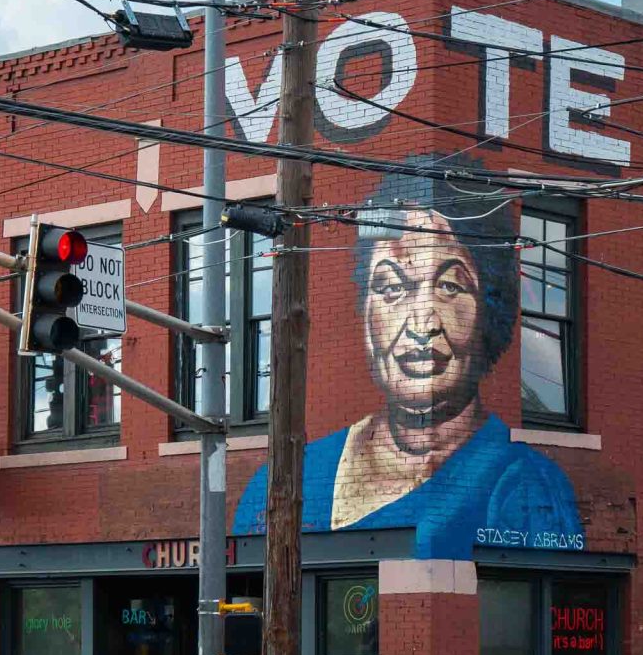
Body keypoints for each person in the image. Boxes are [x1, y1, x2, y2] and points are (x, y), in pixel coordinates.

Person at [233, 201, 583, 559]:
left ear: (489, 312)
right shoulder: (278, 484)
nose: (421, 325)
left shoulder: (525, 489)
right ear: (365, 312)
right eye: (391, 289)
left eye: (449, 286)